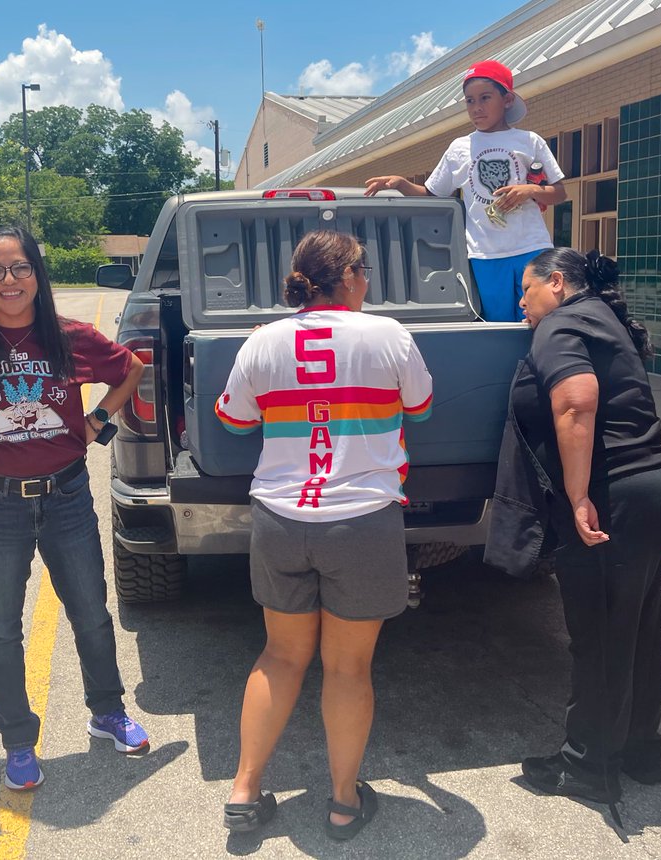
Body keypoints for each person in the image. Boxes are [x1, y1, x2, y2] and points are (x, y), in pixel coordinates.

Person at [216, 230, 433, 840]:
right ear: (352, 277)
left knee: (279, 656)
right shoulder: (389, 335)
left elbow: (232, 421)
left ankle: (244, 791)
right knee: (346, 669)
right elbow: (420, 408)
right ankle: (342, 803)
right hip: (362, 521)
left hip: (281, 520)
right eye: (365, 270)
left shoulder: (262, 343)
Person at [0, 225, 149, 792]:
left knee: (91, 610)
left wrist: (95, 426)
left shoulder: (70, 337)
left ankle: (108, 712)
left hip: (66, 495)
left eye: (20, 268)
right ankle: (17, 741)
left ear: (37, 273)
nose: (9, 281)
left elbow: (130, 368)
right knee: (2, 627)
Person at [506, 248, 661, 806]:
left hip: (613, 495)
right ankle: (639, 751)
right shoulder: (604, 317)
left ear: (556, 283)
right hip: (655, 487)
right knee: (638, 625)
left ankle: (586, 768)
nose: (521, 302)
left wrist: (579, 495)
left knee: (600, 634)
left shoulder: (560, 323)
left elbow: (577, 404)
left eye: (527, 289)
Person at [365, 60, 566, 323]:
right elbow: (433, 193)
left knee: (542, 321)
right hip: (484, 254)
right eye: (470, 101)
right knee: (499, 325)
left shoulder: (529, 141)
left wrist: (530, 189)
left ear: (506, 100)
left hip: (532, 247)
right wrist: (401, 183)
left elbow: (560, 193)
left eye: (485, 98)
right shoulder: (459, 148)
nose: (477, 107)